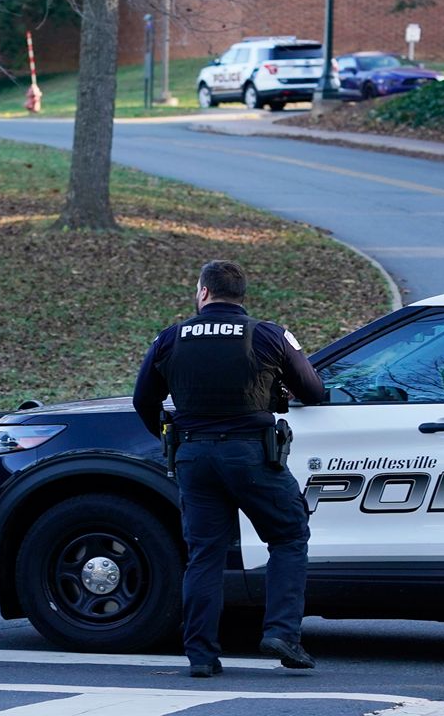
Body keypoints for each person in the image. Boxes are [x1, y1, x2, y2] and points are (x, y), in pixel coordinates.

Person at [132, 260, 325, 677]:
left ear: (203, 292)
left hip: (194, 458)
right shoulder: (269, 334)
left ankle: (201, 654)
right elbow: (314, 389)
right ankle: (282, 633)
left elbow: (142, 399)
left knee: (204, 555)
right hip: (252, 456)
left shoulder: (170, 338)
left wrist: (168, 436)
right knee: (289, 535)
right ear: (241, 295)